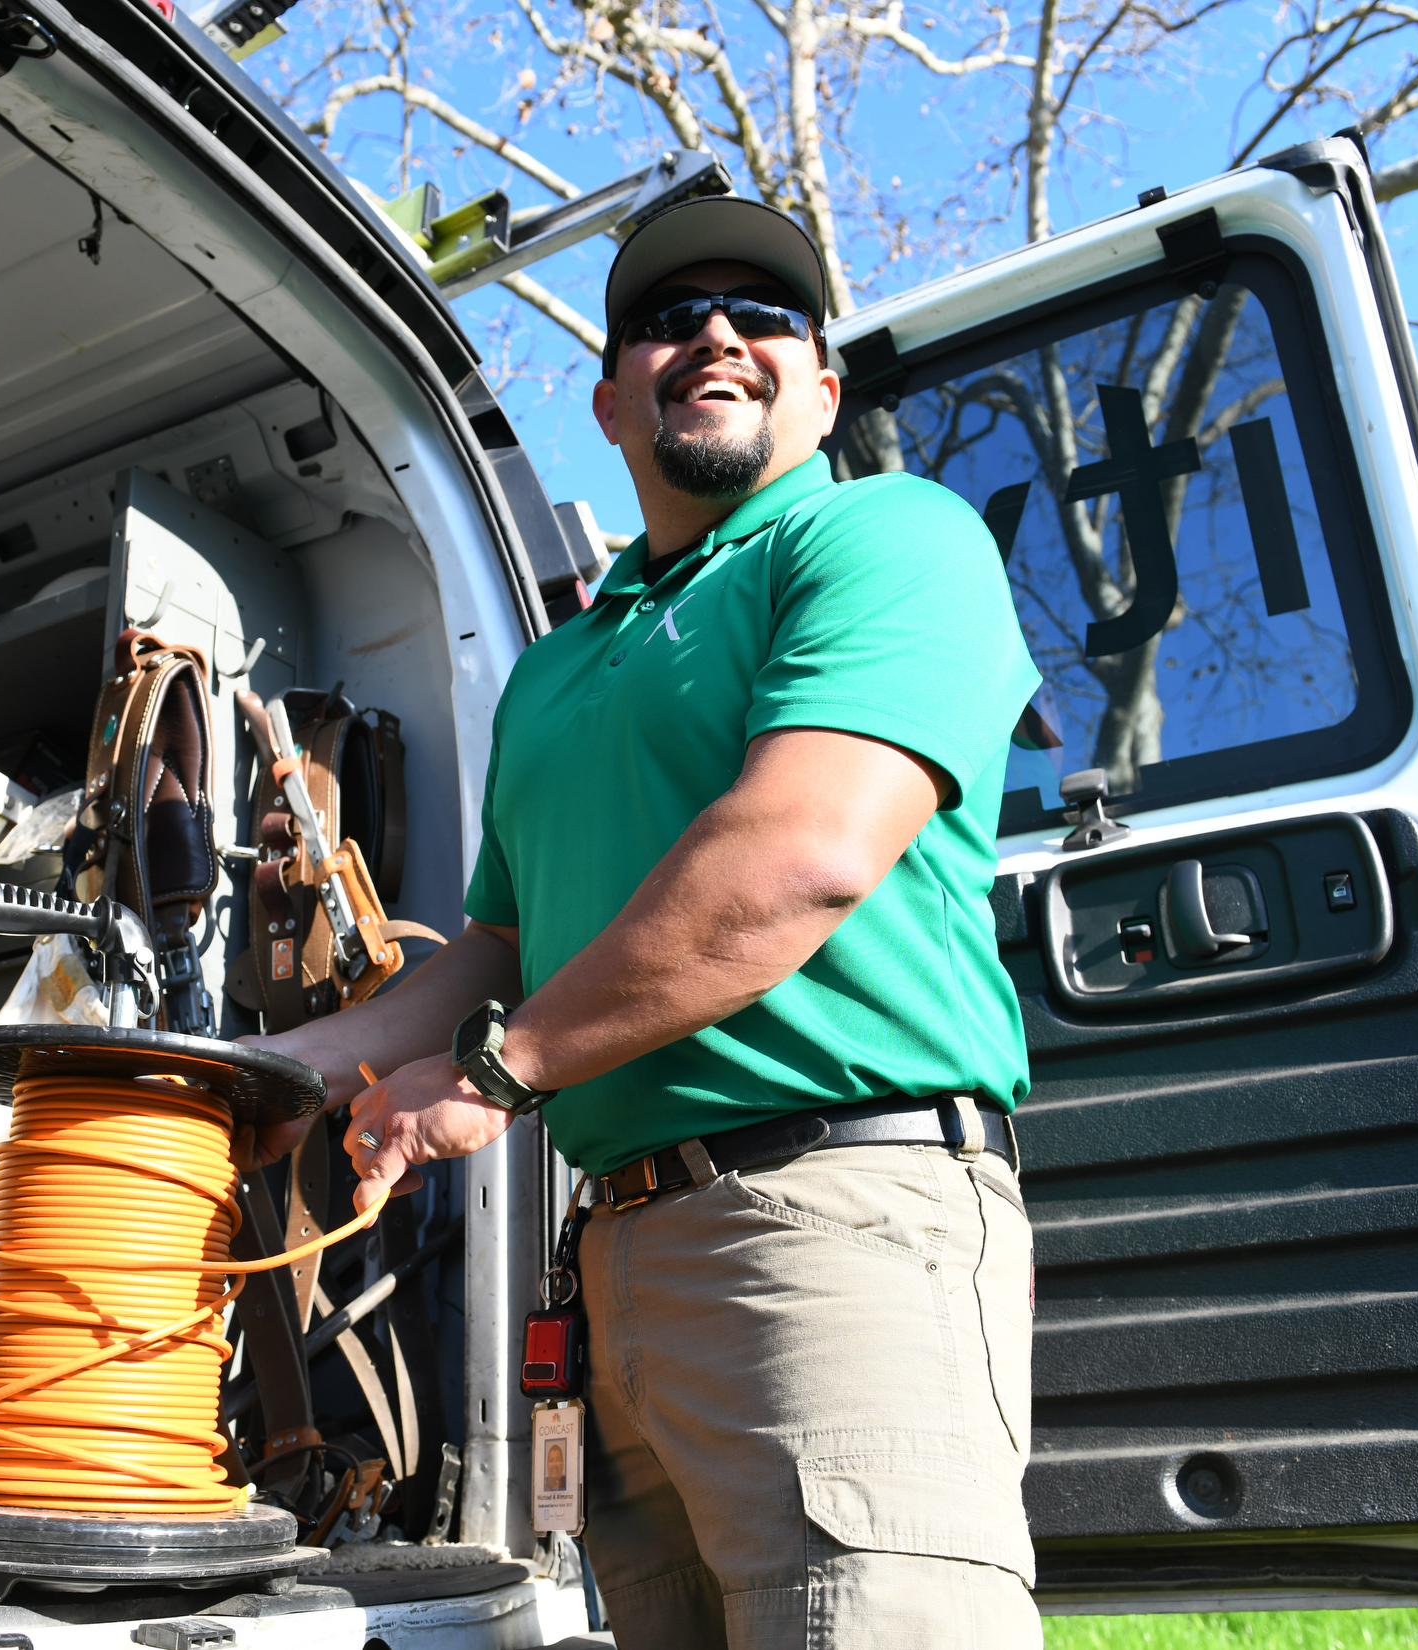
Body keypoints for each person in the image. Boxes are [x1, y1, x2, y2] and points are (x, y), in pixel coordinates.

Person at [244, 195, 1042, 1649]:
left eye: (764, 313)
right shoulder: (558, 674)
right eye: (671, 318)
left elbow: (798, 856)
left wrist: (494, 1078)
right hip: (617, 1259)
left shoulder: (886, 538)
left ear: (822, 381)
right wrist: (279, 1072)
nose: (718, 333)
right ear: (612, 397)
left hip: (835, 1227)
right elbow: (496, 952)